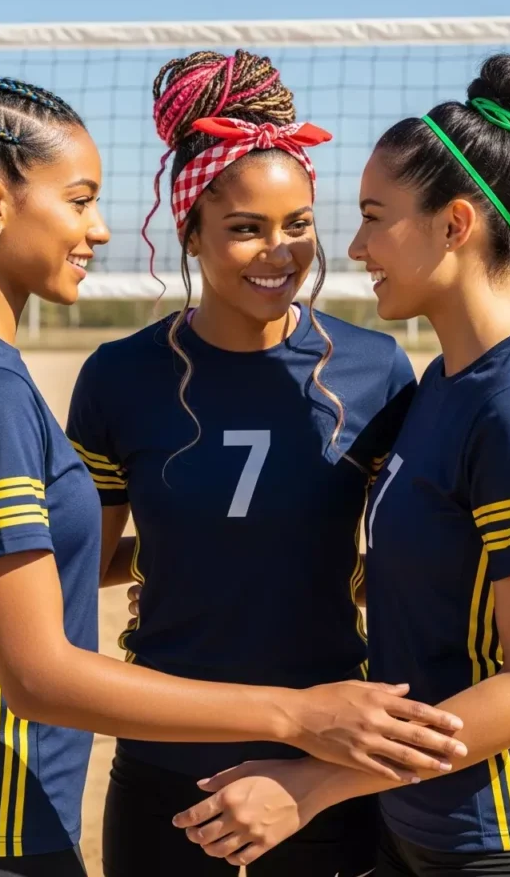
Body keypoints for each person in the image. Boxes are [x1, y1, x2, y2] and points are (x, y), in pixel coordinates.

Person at [0, 60, 465, 877]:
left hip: (315, 779)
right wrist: (299, 713)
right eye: (78, 201)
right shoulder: (29, 383)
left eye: (299, 223)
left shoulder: (376, 370)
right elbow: (36, 666)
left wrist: (215, 556)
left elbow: (61, 565)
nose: (99, 227)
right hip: (46, 796)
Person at [174, 54, 510, 876]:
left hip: (506, 835)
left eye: (373, 216)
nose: (352, 246)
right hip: (414, 821)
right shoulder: (440, 384)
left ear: (454, 225)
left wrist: (313, 785)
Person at [66, 49, 465, 877]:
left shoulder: (377, 369)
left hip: (327, 765)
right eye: (244, 228)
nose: (278, 252)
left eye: (297, 224)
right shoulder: (118, 376)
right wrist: (190, 556)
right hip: (166, 764)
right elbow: (93, 561)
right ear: (190, 229)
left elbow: (403, 554)